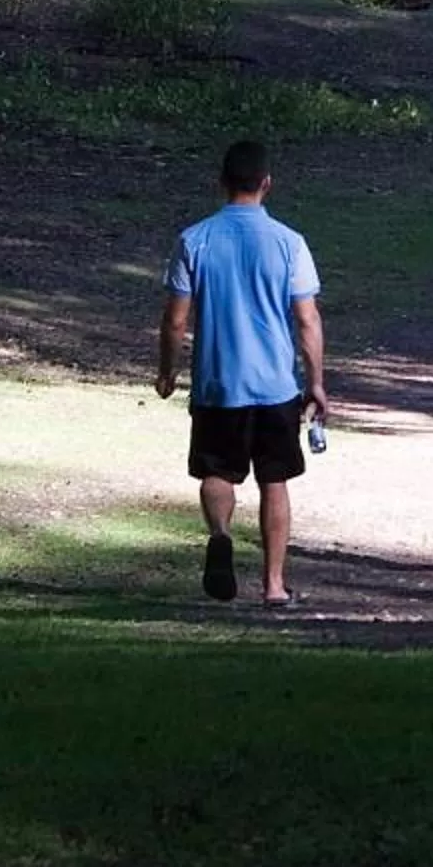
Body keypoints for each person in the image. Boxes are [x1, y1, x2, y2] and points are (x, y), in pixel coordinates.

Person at [156, 139, 325, 606]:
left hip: (217, 382)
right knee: (275, 481)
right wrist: (316, 383)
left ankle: (222, 534)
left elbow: (174, 319)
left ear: (222, 183)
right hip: (274, 386)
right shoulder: (289, 243)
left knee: (217, 472)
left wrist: (167, 372)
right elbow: (307, 319)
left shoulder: (195, 240)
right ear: (266, 183)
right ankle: (273, 586)